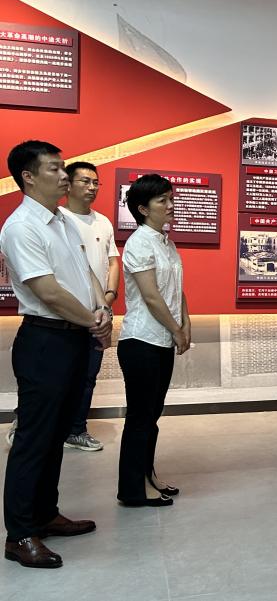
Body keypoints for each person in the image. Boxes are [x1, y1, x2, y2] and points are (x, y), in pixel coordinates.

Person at [1, 141, 112, 569]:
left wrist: (100, 310)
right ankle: (19, 535)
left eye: (64, 167)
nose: (65, 176)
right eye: (55, 169)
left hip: (75, 335)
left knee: (56, 435)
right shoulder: (21, 227)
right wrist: (92, 321)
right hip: (45, 340)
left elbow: (84, 272)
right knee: (33, 440)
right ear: (28, 177)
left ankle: (45, 514)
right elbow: (47, 291)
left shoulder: (62, 219)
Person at [117, 174, 191, 508]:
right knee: (140, 417)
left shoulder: (166, 243)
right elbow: (150, 295)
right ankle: (132, 489)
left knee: (151, 415)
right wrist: (176, 329)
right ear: (143, 208)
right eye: (163, 200)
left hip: (162, 340)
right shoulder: (139, 243)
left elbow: (176, 290)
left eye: (171, 198)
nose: (171, 205)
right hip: (142, 340)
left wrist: (185, 322)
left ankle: (147, 476)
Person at [60, 161, 120, 452]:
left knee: (87, 376)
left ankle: (76, 430)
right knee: (56, 375)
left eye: (96, 182)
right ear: (68, 184)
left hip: (99, 312)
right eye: (85, 181)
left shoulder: (103, 222)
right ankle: (30, 421)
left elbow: (113, 263)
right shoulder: (58, 219)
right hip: (65, 312)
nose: (92, 187)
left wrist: (108, 298)